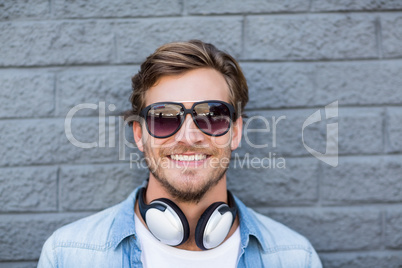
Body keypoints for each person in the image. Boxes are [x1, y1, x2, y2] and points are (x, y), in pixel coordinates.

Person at [38, 40, 322, 267]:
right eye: (164, 117)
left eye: (212, 115)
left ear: (235, 132)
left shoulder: (294, 258)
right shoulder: (68, 255)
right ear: (139, 135)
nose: (189, 137)